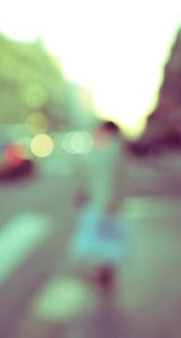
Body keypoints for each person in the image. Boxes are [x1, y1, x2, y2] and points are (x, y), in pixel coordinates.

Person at [71, 120, 128, 290]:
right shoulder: (112, 149)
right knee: (104, 239)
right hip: (102, 201)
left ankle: (103, 273)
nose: (96, 133)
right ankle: (103, 272)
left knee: (102, 239)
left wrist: (110, 203)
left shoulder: (111, 150)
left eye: (99, 131)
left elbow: (111, 178)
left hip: (104, 202)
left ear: (108, 132)